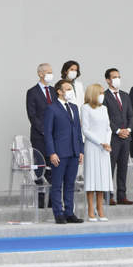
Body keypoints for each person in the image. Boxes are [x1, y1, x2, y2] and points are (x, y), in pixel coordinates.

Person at [44, 78, 84, 224]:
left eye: (70, 89)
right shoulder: (52, 108)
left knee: (70, 184)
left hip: (73, 151)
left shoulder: (74, 107)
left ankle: (69, 212)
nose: (69, 91)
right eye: (66, 89)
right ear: (59, 91)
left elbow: (78, 130)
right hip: (59, 152)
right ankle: (58, 213)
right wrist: (52, 152)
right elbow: (48, 132)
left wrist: (80, 150)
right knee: (57, 184)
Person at [81, 83, 112, 222]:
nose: (102, 95)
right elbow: (86, 130)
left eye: (103, 93)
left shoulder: (104, 108)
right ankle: (90, 209)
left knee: (102, 178)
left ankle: (100, 208)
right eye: (100, 93)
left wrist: (107, 142)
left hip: (105, 148)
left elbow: (108, 128)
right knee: (92, 178)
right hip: (93, 147)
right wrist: (100, 142)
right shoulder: (85, 108)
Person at [25, 63, 56, 206]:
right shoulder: (32, 92)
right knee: (40, 167)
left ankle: (52, 199)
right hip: (40, 136)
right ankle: (41, 199)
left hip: (54, 137)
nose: (50, 74)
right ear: (40, 74)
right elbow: (32, 116)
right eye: (47, 72)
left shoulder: (54, 91)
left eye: (51, 71)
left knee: (53, 167)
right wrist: (44, 131)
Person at [103, 68, 133, 206]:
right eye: (114, 77)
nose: (117, 79)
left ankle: (122, 195)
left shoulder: (125, 95)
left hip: (126, 138)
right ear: (108, 80)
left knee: (123, 167)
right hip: (112, 138)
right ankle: (108, 195)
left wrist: (127, 129)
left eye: (119, 77)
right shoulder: (103, 96)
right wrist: (117, 130)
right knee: (110, 167)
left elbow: (131, 115)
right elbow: (105, 118)